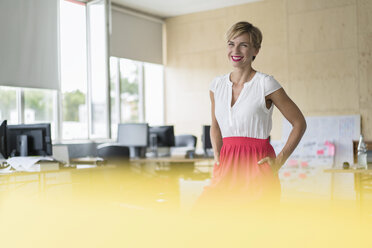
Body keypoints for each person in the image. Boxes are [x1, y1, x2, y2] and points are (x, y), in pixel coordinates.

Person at [194, 21, 307, 211]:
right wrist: (217, 155)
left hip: (257, 165)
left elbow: (299, 123)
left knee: (253, 230)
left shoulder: (266, 84)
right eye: (231, 44)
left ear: (256, 50)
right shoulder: (216, 85)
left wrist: (279, 162)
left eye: (243, 45)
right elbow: (215, 125)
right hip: (226, 164)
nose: (235, 50)